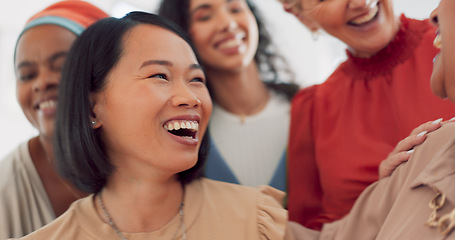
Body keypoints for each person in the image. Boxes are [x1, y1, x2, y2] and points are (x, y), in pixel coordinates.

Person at [14, 12, 294, 240]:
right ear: (91, 109)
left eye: (196, 79)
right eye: (160, 75)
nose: (191, 98)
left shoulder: (257, 220)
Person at [279, 0, 455, 229]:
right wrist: (381, 195)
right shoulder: (312, 109)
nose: (361, 3)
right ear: (302, 17)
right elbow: (313, 231)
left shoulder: (449, 49)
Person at [158, 0, 299, 191]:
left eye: (235, 9)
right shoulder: (185, 131)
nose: (228, 23)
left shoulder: (309, 106)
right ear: (182, 36)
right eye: (205, 17)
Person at [0, 1, 108, 239]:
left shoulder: (145, 161)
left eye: (61, 67)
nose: (41, 82)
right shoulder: (6, 187)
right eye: (27, 75)